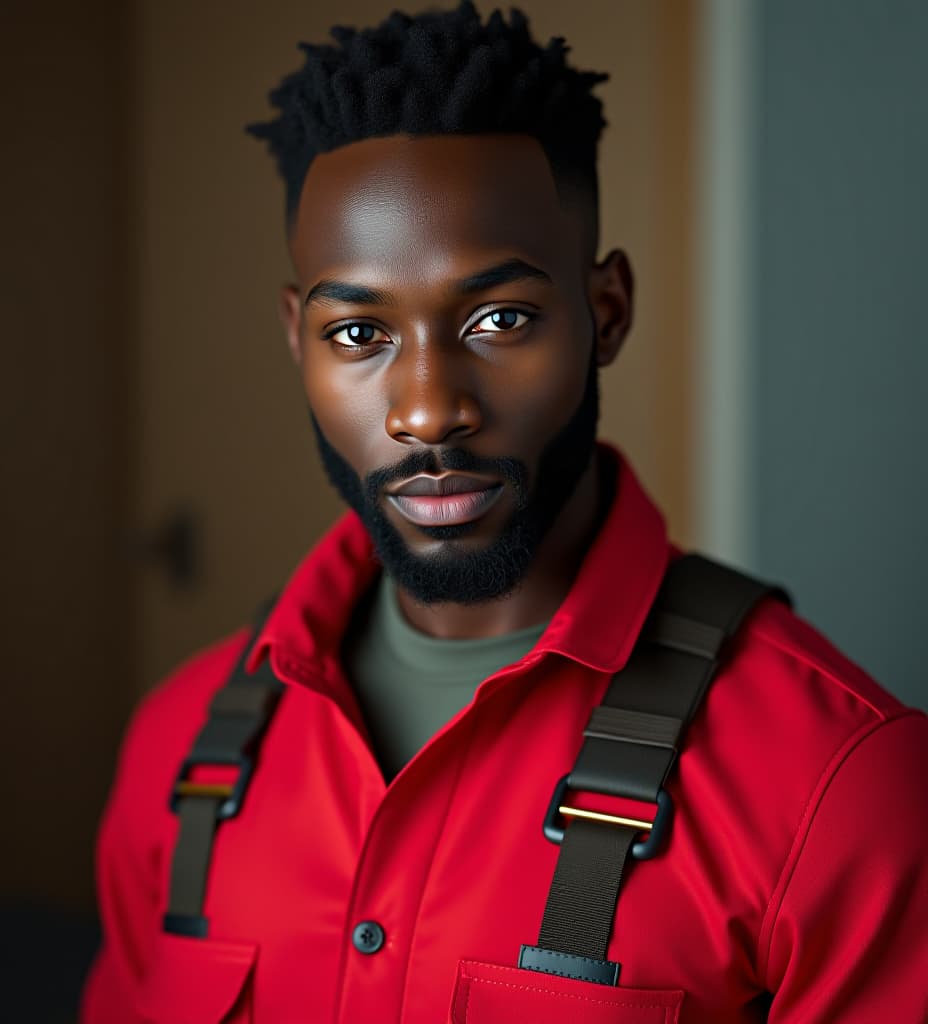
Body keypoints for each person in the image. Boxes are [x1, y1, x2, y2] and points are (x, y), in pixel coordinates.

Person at [81, 3, 928, 1021]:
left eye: (499, 319)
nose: (429, 407)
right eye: (357, 331)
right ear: (293, 339)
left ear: (604, 312)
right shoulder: (174, 748)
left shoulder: (837, 780)